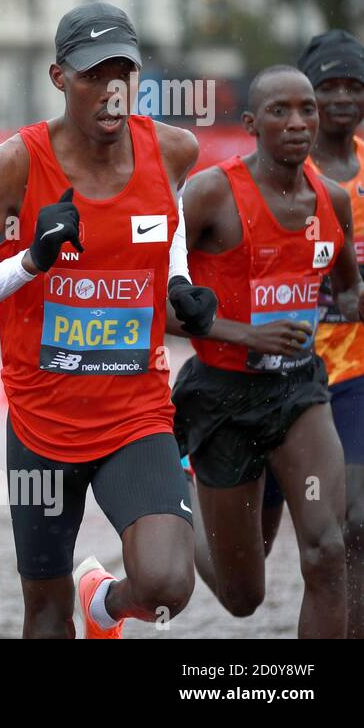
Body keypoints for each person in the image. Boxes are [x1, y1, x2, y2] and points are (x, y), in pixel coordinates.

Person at [0, 3, 217, 638]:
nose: (110, 94)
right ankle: (75, 605)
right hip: (41, 422)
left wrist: (180, 283)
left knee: (167, 586)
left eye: (123, 75)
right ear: (59, 78)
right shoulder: (15, 164)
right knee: (44, 614)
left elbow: (163, 228)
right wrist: (31, 260)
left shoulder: (172, 150)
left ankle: (105, 605)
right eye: (92, 76)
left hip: (135, 414)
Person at [172, 65, 357, 637]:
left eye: (308, 109)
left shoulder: (331, 199)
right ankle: (184, 492)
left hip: (301, 391)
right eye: (281, 110)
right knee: (243, 597)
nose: (298, 122)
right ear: (252, 123)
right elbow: (153, 304)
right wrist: (246, 334)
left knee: (329, 549)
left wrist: (339, 305)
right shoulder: (208, 194)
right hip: (221, 397)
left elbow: (347, 289)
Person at [300, 29, 364, 638]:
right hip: (285, 374)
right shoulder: (289, 165)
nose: (342, 98)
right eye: (329, 87)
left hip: (357, 373)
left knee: (355, 525)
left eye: (354, 86)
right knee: (243, 581)